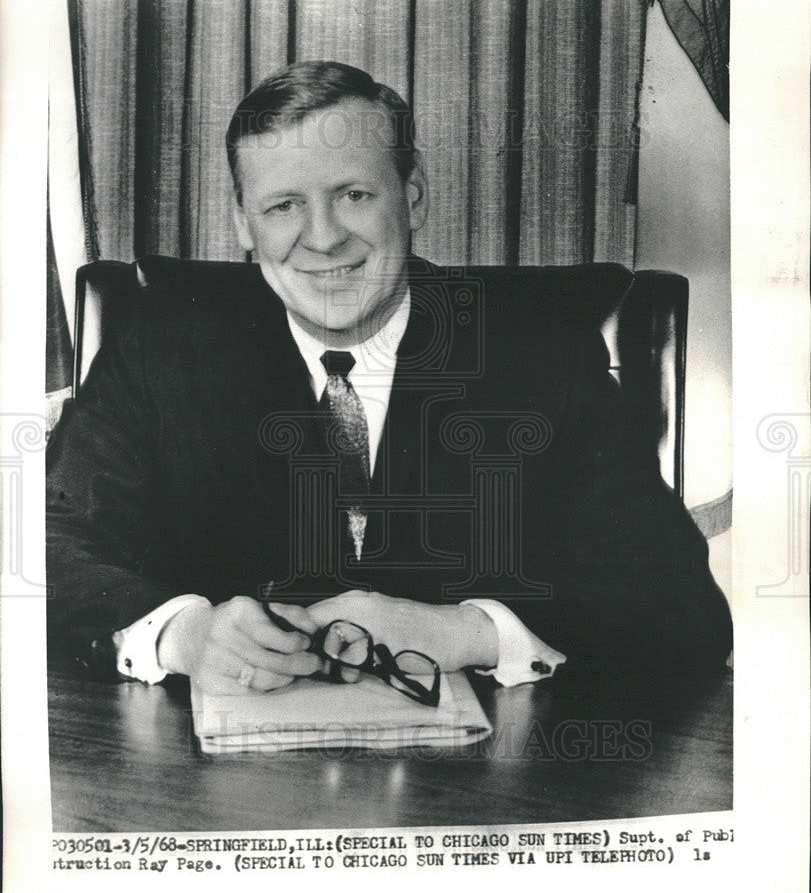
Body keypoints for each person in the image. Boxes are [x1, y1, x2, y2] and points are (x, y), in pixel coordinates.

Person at [47, 60, 732, 696]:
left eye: (352, 194)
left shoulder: (540, 352)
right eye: (283, 205)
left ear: (412, 197)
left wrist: (464, 631)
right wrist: (180, 632)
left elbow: (677, 606)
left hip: (488, 793)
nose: (321, 238)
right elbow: (45, 548)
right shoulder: (162, 346)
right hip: (214, 781)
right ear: (243, 225)